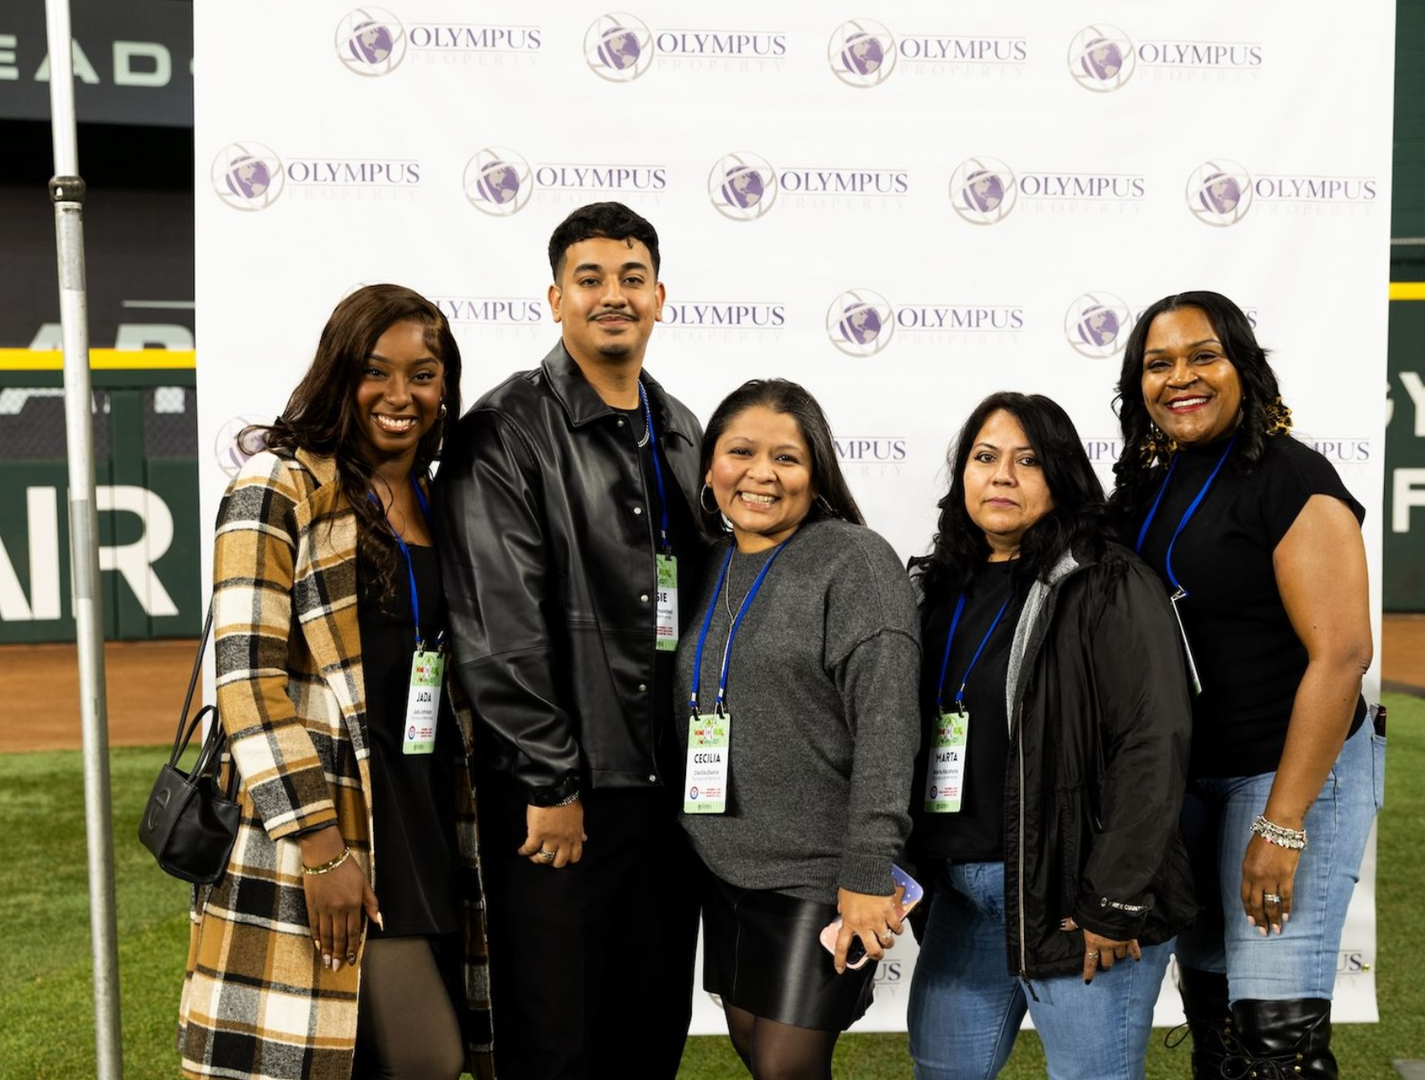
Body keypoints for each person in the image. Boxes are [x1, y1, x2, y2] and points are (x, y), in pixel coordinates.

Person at [179, 284, 493, 1080]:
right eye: (376, 372)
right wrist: (321, 850)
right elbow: (247, 680)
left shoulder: (440, 495)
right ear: (338, 373)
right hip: (325, 819)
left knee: (392, 1058)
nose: (400, 396)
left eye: (423, 375)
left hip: (421, 811)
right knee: (411, 1056)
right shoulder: (278, 486)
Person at [435, 202, 706, 1078]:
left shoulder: (683, 430)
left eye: (632, 279)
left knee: (647, 1032)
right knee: (553, 1042)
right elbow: (497, 630)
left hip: (670, 798)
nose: (612, 296)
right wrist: (550, 779)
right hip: (561, 798)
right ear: (556, 299)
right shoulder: (505, 430)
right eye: (590, 279)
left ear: (660, 297)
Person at [1108, 292, 1382, 1080]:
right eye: (1159, 364)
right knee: (1217, 1027)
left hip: (1287, 771)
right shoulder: (1148, 486)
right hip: (1190, 780)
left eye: (1203, 357)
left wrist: (1283, 824)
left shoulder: (1292, 476)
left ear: (1243, 369)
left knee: (1274, 1047)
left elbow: (1342, 656)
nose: (1181, 378)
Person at [904, 392, 1196, 1080]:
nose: (1001, 475)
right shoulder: (937, 589)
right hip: (964, 899)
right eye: (985, 457)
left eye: (1027, 461)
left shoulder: (1107, 581)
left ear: (1062, 477)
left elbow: (1153, 743)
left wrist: (1114, 899)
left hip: (1076, 894)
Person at [677, 379, 921, 1080]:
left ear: (816, 472)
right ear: (709, 467)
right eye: (740, 452)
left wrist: (868, 869)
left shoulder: (854, 561)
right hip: (724, 867)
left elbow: (887, 726)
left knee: (786, 1067)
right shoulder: (710, 563)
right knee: (758, 1055)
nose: (761, 474)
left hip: (821, 871)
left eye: (786, 457)